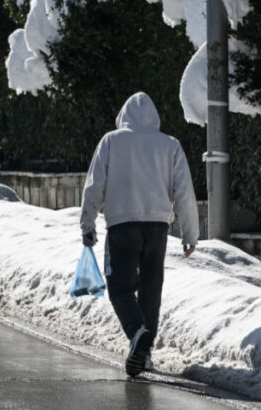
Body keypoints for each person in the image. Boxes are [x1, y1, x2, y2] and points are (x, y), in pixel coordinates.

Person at [79, 92, 199, 377]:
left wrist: (87, 224)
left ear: (123, 116)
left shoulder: (111, 141)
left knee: (120, 288)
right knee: (150, 289)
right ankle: (145, 353)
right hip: (158, 227)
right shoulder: (170, 145)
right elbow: (184, 191)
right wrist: (190, 234)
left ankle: (137, 333)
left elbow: (95, 184)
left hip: (122, 224)